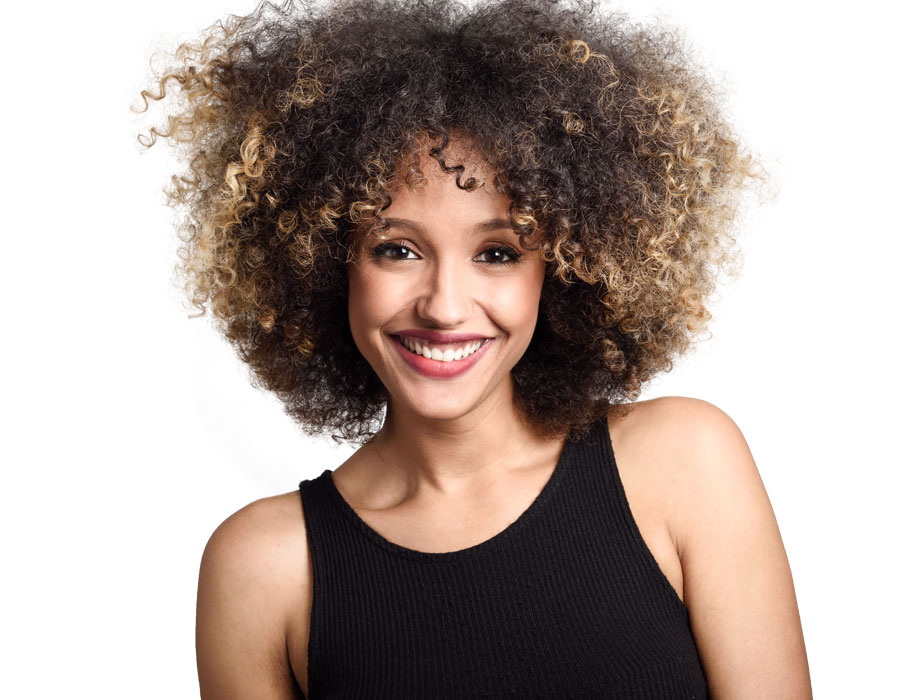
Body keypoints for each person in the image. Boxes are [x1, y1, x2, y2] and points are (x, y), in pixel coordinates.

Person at [136, 0, 812, 697]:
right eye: (396, 249)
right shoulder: (265, 570)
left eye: (497, 252)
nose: (445, 306)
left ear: (564, 267)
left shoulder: (682, 465)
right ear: (323, 263)